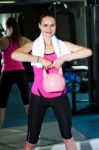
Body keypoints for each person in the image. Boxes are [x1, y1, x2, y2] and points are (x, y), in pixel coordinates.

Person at [11, 11, 92, 150]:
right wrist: (39, 59)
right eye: (45, 25)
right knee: (31, 141)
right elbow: (15, 55)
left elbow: (88, 52)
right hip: (38, 97)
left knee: (68, 138)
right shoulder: (33, 46)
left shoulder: (62, 45)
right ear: (39, 26)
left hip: (60, 98)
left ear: (55, 26)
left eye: (52, 25)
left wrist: (64, 58)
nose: (49, 29)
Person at [0, 17, 32, 127]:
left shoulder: (3, 40)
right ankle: (34, 132)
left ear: (8, 27)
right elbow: (33, 44)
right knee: (27, 103)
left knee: (2, 107)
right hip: (20, 72)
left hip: (7, 73)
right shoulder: (22, 40)